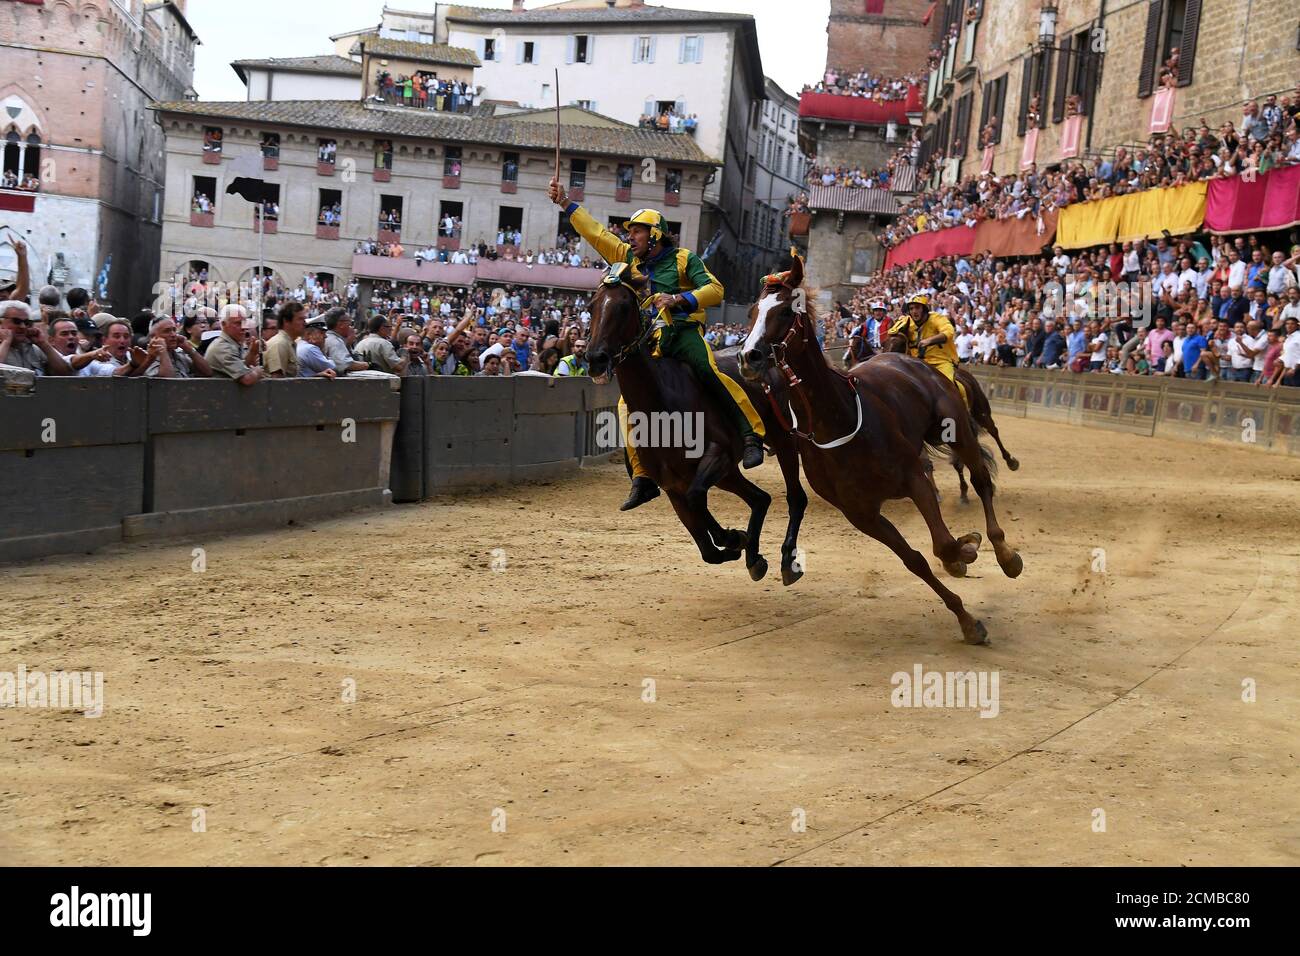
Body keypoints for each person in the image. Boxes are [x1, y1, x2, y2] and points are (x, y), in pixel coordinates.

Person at [548, 177, 765, 511]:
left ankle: (751, 435)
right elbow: (594, 232)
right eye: (629, 232)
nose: (629, 237)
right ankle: (642, 476)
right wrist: (566, 203)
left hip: (684, 333)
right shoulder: (625, 256)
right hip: (652, 341)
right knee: (625, 404)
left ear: (656, 235)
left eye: (636, 231)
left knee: (709, 371)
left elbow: (715, 290)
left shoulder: (683, 258)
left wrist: (678, 298)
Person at [888, 294, 966, 404]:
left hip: (941, 362)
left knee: (950, 385)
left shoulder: (937, 318)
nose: (914, 311)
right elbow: (891, 333)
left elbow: (949, 332)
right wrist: (899, 326)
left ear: (925, 309)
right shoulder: (906, 321)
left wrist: (929, 341)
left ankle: (965, 414)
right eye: (911, 308)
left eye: (917, 308)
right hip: (916, 363)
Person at [205, 304, 264, 386]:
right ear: (224, 324)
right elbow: (247, 379)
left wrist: (252, 353)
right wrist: (257, 372)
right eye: (238, 323)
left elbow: (244, 367)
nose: (244, 327)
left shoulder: (234, 343)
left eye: (244, 322)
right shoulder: (222, 347)